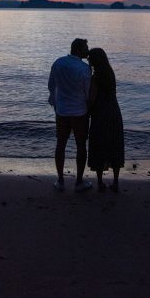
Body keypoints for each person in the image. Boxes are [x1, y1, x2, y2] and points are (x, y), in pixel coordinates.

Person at [48, 38, 93, 191]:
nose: (88, 51)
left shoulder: (58, 62)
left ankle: (60, 181)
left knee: (61, 144)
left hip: (62, 111)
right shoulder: (85, 68)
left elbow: (51, 85)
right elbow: (87, 93)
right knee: (81, 145)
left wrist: (55, 103)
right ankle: (79, 182)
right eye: (86, 48)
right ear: (79, 50)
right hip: (79, 112)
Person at [87, 47, 125, 192]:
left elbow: (92, 99)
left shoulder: (95, 77)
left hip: (100, 114)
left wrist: (87, 110)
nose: (88, 60)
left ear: (95, 60)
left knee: (99, 146)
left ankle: (100, 182)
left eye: (90, 58)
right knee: (114, 145)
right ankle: (115, 182)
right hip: (114, 112)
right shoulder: (110, 73)